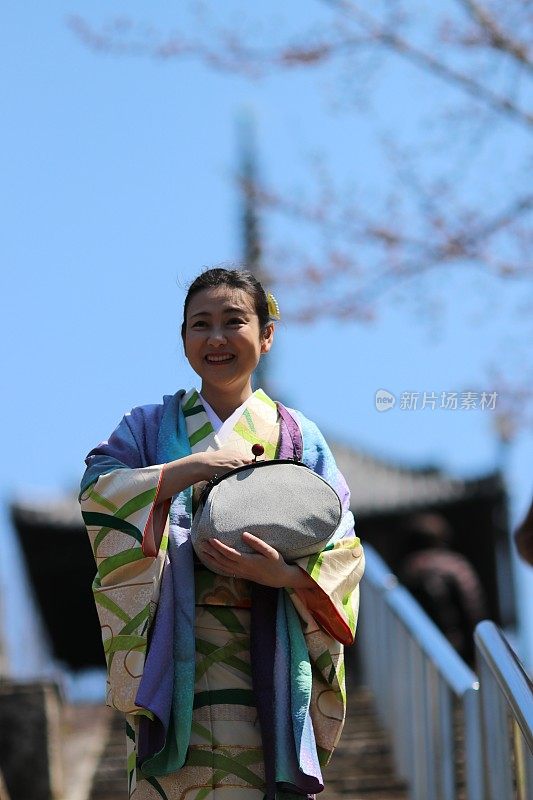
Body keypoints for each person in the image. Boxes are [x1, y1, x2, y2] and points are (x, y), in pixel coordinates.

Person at [79, 267, 364, 800]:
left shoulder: (298, 436)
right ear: (183, 338)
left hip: (270, 648)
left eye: (234, 321)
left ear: (267, 335)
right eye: (199, 324)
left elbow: (342, 542)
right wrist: (193, 467)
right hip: (167, 646)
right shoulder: (146, 426)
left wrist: (283, 574)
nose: (216, 338)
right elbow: (98, 492)